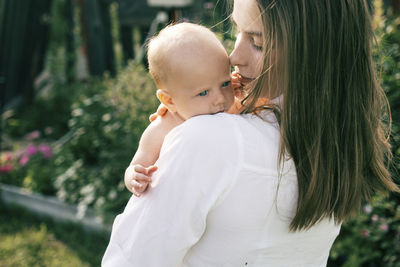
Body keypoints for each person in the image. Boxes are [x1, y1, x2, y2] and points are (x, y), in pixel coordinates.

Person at [102, 0, 400, 266]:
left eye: (257, 42)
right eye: (237, 33)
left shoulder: (207, 140)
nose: (234, 57)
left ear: (312, 53)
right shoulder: (335, 150)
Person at [123, 22, 237, 196]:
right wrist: (134, 177)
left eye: (225, 83)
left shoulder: (228, 105)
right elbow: (136, 165)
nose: (220, 98)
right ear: (169, 100)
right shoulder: (163, 127)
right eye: (203, 92)